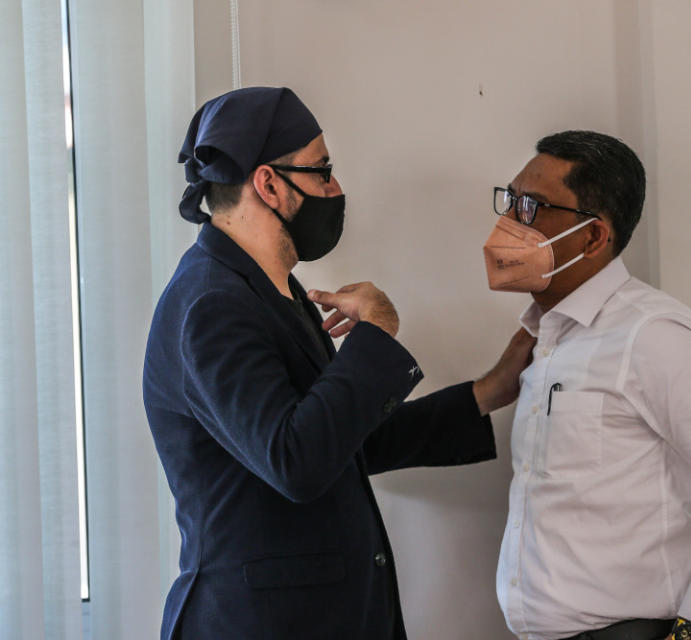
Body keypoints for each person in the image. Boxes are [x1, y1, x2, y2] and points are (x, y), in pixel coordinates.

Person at [142, 86, 534, 640]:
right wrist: (375, 335)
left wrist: (488, 392)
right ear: (269, 184)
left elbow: (345, 440)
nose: (336, 188)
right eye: (322, 170)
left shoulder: (269, 290)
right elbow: (295, 461)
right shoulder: (213, 305)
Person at [483, 130, 691, 640]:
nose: (510, 222)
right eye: (511, 200)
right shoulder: (546, 337)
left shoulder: (650, 333)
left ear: (594, 237)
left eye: (532, 206)